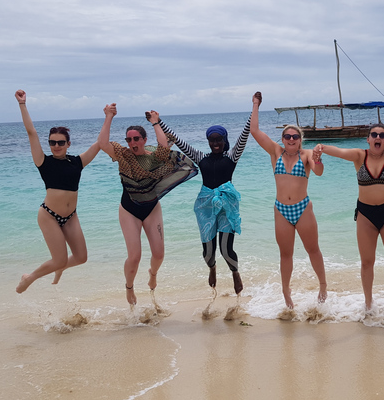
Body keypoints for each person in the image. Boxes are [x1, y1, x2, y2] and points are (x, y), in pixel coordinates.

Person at [315, 101, 384, 311]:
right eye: (374, 135)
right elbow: (338, 151)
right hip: (366, 215)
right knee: (367, 262)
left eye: (382, 135)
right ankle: (368, 304)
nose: (378, 138)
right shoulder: (360, 156)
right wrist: (322, 148)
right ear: (368, 139)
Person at [97, 104, 198, 305]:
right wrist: (109, 116)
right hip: (129, 210)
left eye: (136, 138)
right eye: (129, 139)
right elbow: (102, 143)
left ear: (144, 140)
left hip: (151, 208)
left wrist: (155, 122)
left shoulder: (155, 158)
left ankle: (152, 273)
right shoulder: (123, 155)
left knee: (159, 254)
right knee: (134, 257)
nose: (132, 142)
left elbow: (163, 146)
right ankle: (129, 287)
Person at [14, 90, 101, 293]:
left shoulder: (77, 162)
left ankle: (59, 268)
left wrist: (108, 117)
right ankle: (30, 277)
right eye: (52, 142)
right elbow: (31, 133)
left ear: (68, 144)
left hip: (71, 216)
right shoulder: (43, 161)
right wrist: (22, 104)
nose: (56, 145)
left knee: (81, 258)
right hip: (49, 216)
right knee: (59, 258)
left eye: (61, 142)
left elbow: (99, 144)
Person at [157, 114, 251, 294]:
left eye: (219, 140)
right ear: (208, 141)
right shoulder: (201, 157)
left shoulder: (232, 156)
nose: (215, 143)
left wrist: (255, 106)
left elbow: (245, 134)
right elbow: (177, 140)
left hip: (227, 205)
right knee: (208, 253)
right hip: (205, 206)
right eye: (212, 140)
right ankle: (212, 268)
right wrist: (157, 122)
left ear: (224, 141)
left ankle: (235, 272)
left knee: (225, 249)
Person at [250, 92, 327, 309]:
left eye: (295, 137)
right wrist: (256, 104)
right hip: (281, 209)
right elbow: (254, 131)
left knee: (313, 249)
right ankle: (286, 292)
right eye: (287, 137)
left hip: (303, 209)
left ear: (301, 139)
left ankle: (322, 285)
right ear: (282, 139)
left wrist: (318, 159)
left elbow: (319, 172)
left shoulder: (307, 154)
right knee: (285, 254)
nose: (291, 140)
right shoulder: (275, 152)